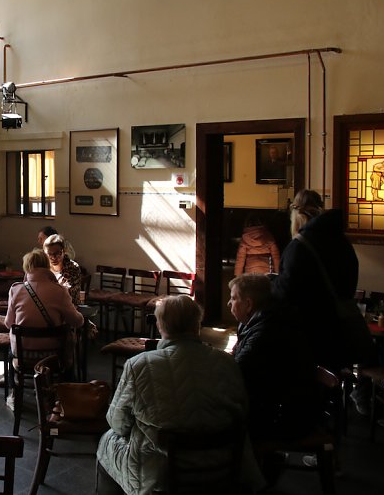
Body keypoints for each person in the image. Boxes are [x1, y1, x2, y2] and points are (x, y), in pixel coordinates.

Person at [96, 295, 260, 495]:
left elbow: (117, 422)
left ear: (160, 325)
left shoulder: (139, 365)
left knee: (108, 440)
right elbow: (242, 411)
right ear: (197, 324)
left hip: (161, 474)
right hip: (222, 463)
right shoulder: (226, 362)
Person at [270, 189, 359, 370]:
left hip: (308, 332)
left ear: (295, 215)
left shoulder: (300, 246)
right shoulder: (342, 242)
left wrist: (272, 283)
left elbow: (287, 291)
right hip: (338, 329)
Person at [229, 274, 320, 443]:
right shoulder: (261, 319)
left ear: (248, 304)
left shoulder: (267, 329)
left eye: (233, 298)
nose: (229, 303)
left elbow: (236, 371)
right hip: (275, 404)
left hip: (283, 416)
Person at [4, 249, 84, 356]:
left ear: (27, 268)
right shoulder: (60, 291)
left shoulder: (15, 290)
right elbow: (77, 322)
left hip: (22, 353)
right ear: (47, 266)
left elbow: (8, 323)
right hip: (53, 354)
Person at [43, 234, 82, 307]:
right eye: (49, 254)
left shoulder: (73, 267)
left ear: (64, 251)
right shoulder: (44, 267)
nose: (53, 258)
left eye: (57, 253)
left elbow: (70, 294)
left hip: (68, 307)